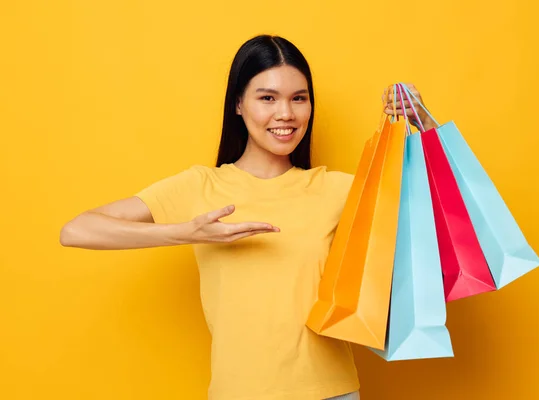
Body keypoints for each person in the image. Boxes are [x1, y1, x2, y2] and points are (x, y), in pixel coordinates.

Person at [60, 34, 435, 400]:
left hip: (331, 392)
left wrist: (424, 124)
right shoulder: (200, 186)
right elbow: (76, 230)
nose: (285, 113)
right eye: (267, 98)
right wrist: (188, 232)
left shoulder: (337, 189)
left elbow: (445, 216)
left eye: (298, 99)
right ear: (238, 104)